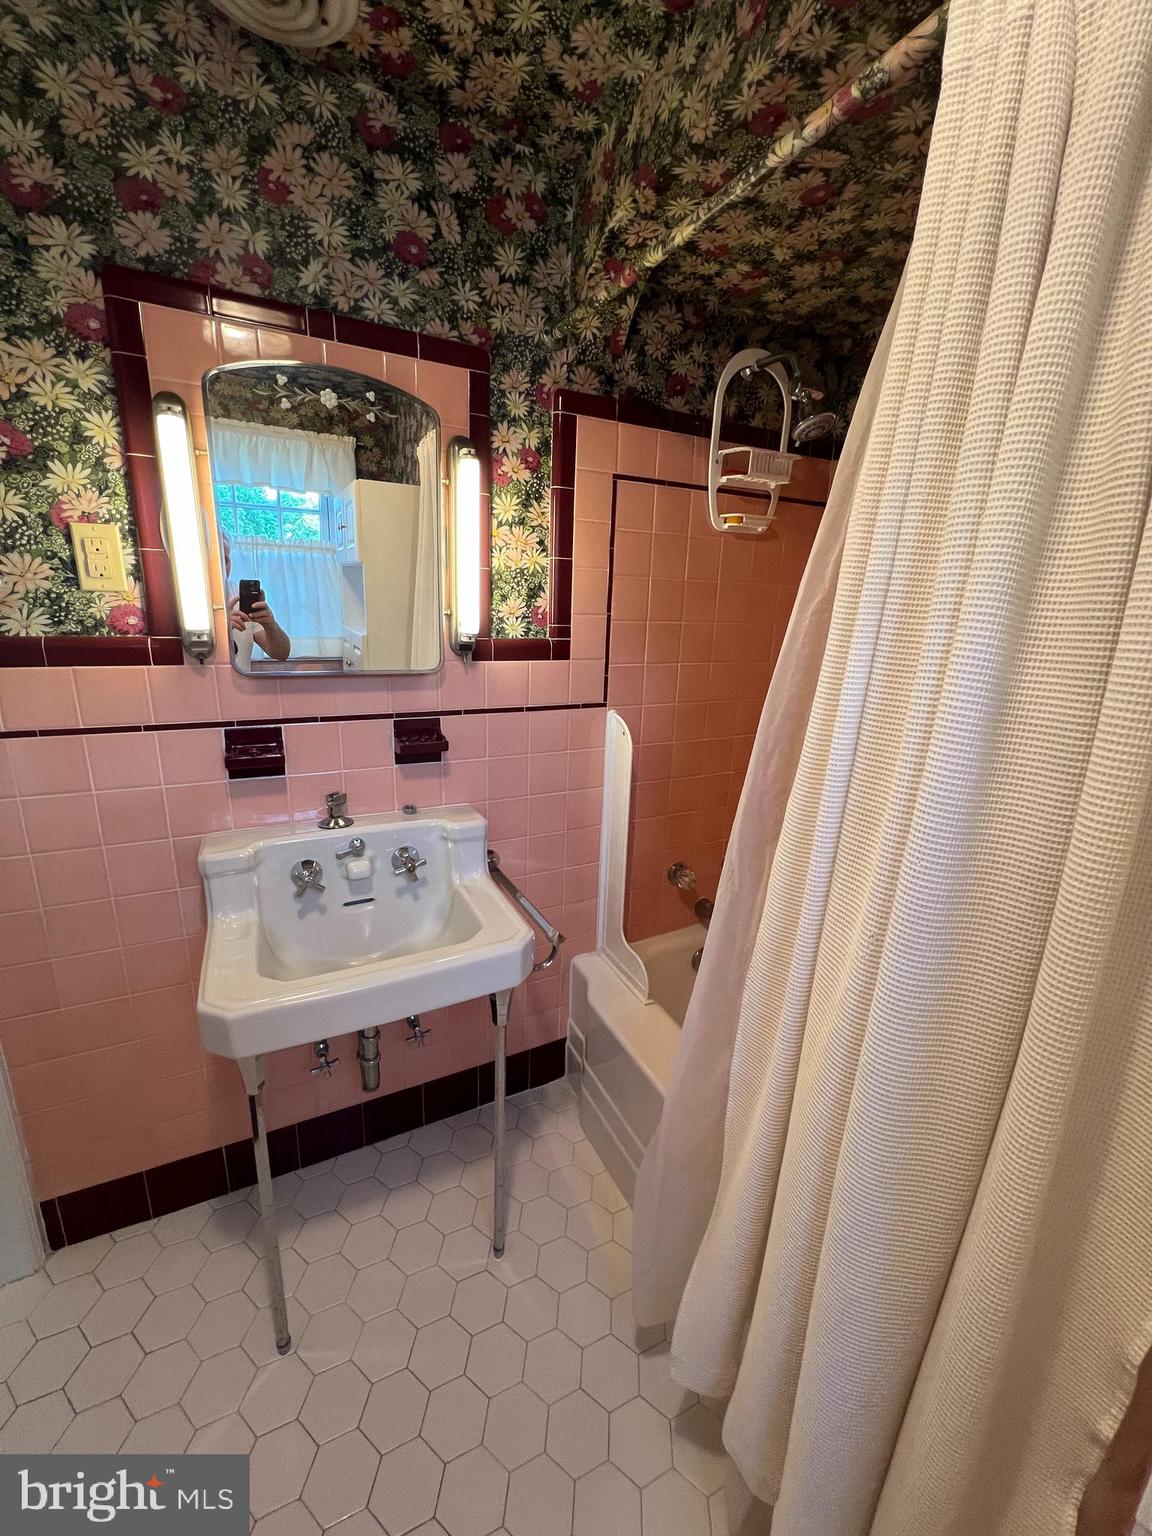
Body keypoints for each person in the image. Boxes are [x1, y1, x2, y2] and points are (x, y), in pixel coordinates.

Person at [221, 532, 292, 667]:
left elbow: (281, 654)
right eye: (217, 560)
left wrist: (271, 625)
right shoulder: (187, 601)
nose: (223, 567)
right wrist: (220, 628)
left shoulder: (239, 596)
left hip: (240, 686)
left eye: (226, 560)